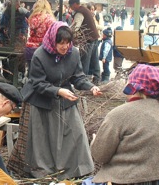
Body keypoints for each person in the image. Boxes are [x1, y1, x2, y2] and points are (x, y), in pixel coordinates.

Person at [7, 21, 102, 180]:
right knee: (43, 140)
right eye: (61, 43)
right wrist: (57, 91)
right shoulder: (40, 54)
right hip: (41, 100)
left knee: (74, 133)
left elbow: (77, 77)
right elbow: (37, 83)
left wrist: (90, 87)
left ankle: (75, 170)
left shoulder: (74, 54)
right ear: (53, 40)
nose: (65, 46)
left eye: (67, 42)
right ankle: (44, 172)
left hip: (65, 99)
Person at [90, 64, 159, 184]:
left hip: (127, 180)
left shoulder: (120, 114)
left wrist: (95, 141)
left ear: (135, 88)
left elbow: (100, 156)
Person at [68, 0, 100, 83]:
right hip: (95, 37)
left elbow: (76, 27)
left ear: (74, 4)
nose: (70, 7)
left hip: (88, 39)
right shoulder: (86, 10)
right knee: (94, 59)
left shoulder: (80, 13)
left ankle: (83, 80)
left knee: (85, 60)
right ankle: (97, 78)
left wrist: (68, 32)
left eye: (70, 5)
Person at [25, 0, 56, 70]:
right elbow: (53, 35)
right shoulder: (50, 19)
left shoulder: (32, 18)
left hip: (30, 48)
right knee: (42, 73)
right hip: (43, 49)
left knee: (31, 71)